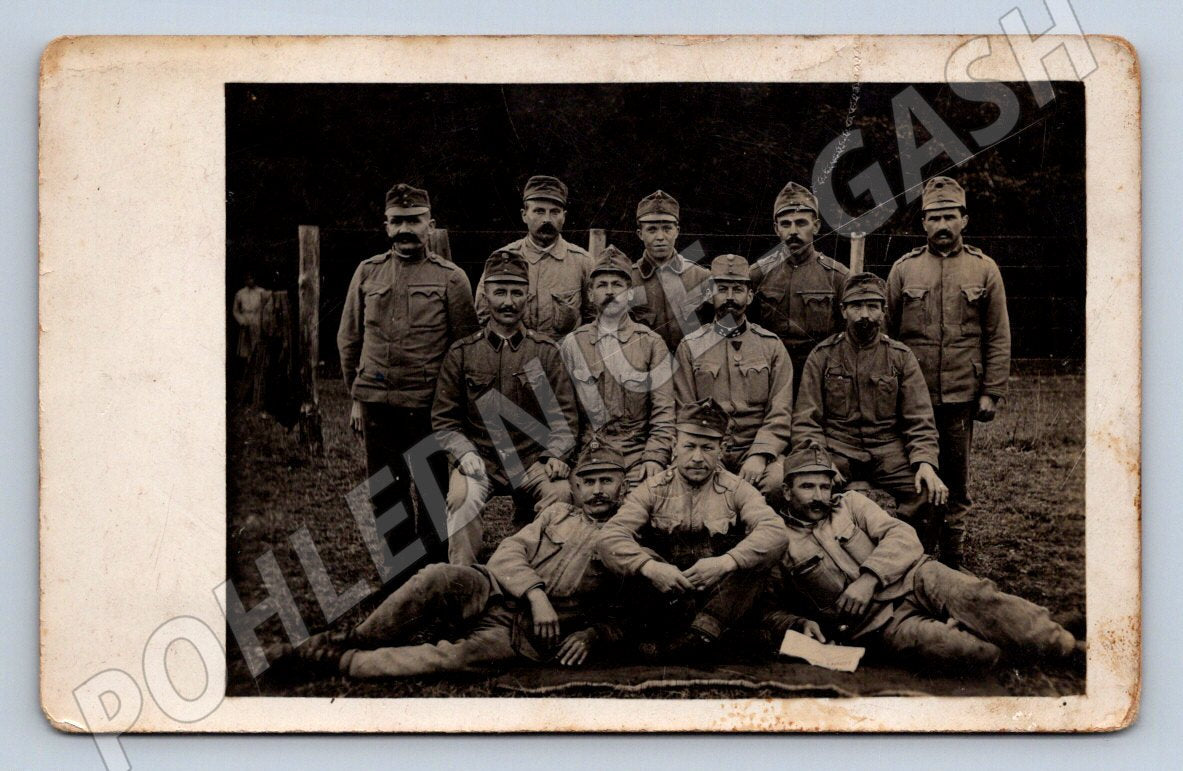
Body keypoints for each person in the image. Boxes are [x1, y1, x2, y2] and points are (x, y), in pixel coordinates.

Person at [263, 441, 633, 679]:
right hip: (492, 590)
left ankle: (339, 663)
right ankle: (352, 639)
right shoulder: (556, 515)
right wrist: (536, 594)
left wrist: (592, 634)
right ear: (576, 487)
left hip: (527, 633)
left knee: (454, 659)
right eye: (589, 481)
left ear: (624, 487)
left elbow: (633, 614)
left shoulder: (633, 538)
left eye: (607, 481)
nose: (598, 490)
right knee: (436, 576)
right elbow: (507, 553)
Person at [760, 443, 1084, 670]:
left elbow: (902, 535)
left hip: (917, 578)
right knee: (968, 653)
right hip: (881, 625)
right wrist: (799, 622)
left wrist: (868, 579)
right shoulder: (777, 542)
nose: (819, 496)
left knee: (977, 596)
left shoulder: (852, 503)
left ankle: (1067, 648)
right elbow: (769, 610)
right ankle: (1030, 632)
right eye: (807, 487)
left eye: (824, 486)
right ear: (787, 491)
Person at [336, 183, 478, 564]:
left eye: (414, 220)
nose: (405, 228)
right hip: (378, 406)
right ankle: (399, 572)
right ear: (386, 225)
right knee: (385, 492)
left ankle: (430, 572)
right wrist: (357, 395)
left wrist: (454, 407)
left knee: (432, 491)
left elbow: (465, 348)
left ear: (430, 225)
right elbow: (349, 338)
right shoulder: (367, 272)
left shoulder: (451, 278)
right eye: (397, 221)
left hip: (428, 406)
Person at [597, 400, 789, 662]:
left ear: (721, 450)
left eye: (708, 448)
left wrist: (726, 562)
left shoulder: (736, 489)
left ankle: (693, 639)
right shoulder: (653, 489)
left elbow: (775, 530)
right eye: (689, 446)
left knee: (755, 561)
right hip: (669, 594)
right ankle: (708, 642)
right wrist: (651, 568)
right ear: (675, 446)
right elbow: (610, 536)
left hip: (720, 599)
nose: (697, 457)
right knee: (637, 555)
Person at [886, 176, 1012, 569]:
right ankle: (918, 556)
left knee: (955, 482)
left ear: (964, 220)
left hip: (960, 395)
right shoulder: (904, 270)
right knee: (915, 479)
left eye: (949, 217)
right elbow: (886, 334)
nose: (942, 225)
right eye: (934, 217)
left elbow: (998, 334)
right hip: (911, 398)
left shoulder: (984, 269)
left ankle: (952, 558)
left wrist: (991, 391)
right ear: (923, 223)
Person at [432, 250, 580, 566]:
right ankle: (465, 581)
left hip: (531, 460)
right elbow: (445, 420)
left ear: (528, 295)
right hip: (481, 458)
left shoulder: (544, 352)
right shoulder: (463, 353)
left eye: (516, 292)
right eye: (500, 291)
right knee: (461, 497)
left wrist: (554, 454)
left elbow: (565, 419)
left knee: (561, 494)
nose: (508, 302)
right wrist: (464, 453)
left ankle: (539, 575)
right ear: (485, 295)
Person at [793, 271, 948, 549]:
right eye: (856, 306)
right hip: (837, 448)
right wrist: (820, 459)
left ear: (883, 311)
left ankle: (906, 556)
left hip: (888, 450)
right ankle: (827, 559)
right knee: (806, 490)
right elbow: (806, 419)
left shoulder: (900, 357)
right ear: (843, 310)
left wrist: (925, 462)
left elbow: (920, 419)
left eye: (872, 307)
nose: (865, 315)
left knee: (928, 492)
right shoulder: (823, 356)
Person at [673, 254, 793, 501]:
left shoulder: (771, 346)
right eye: (722, 289)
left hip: (756, 449)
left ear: (749, 296)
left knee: (775, 483)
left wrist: (760, 454)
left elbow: (780, 412)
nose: (729, 297)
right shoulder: (690, 346)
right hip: (706, 449)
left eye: (737, 289)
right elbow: (685, 410)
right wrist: (707, 456)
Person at [560, 244, 676, 490]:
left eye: (617, 285)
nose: (610, 292)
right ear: (590, 294)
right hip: (588, 455)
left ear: (630, 293)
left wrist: (655, 457)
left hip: (635, 455)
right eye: (602, 285)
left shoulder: (652, 344)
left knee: (644, 507)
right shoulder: (573, 344)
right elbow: (561, 413)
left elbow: (664, 414)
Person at [750, 181, 849, 399]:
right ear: (776, 229)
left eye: (801, 223)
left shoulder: (838, 276)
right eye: (785, 224)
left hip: (819, 378)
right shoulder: (757, 275)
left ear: (816, 226)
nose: (793, 231)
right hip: (770, 377)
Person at [474, 175, 593, 339]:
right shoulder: (503, 260)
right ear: (524, 215)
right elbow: (483, 315)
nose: (547, 219)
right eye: (539, 211)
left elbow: (593, 320)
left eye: (554, 212)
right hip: (515, 357)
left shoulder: (582, 262)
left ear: (564, 216)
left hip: (564, 359)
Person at [627, 190, 713, 352]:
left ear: (677, 231)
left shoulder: (701, 277)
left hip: (691, 368)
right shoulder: (629, 280)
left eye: (667, 228)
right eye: (652, 230)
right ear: (640, 234)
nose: (660, 237)